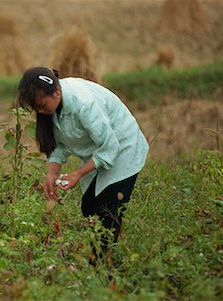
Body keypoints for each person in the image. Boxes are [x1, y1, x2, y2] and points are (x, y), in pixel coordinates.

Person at [17, 67, 149, 261]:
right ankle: (103, 258)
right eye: (36, 108)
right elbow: (59, 146)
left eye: (42, 105)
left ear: (57, 91)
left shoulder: (84, 103)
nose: (40, 111)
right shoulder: (51, 109)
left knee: (107, 213)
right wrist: (51, 174)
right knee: (89, 209)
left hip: (122, 148)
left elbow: (110, 146)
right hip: (96, 152)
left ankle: (101, 268)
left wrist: (77, 174)